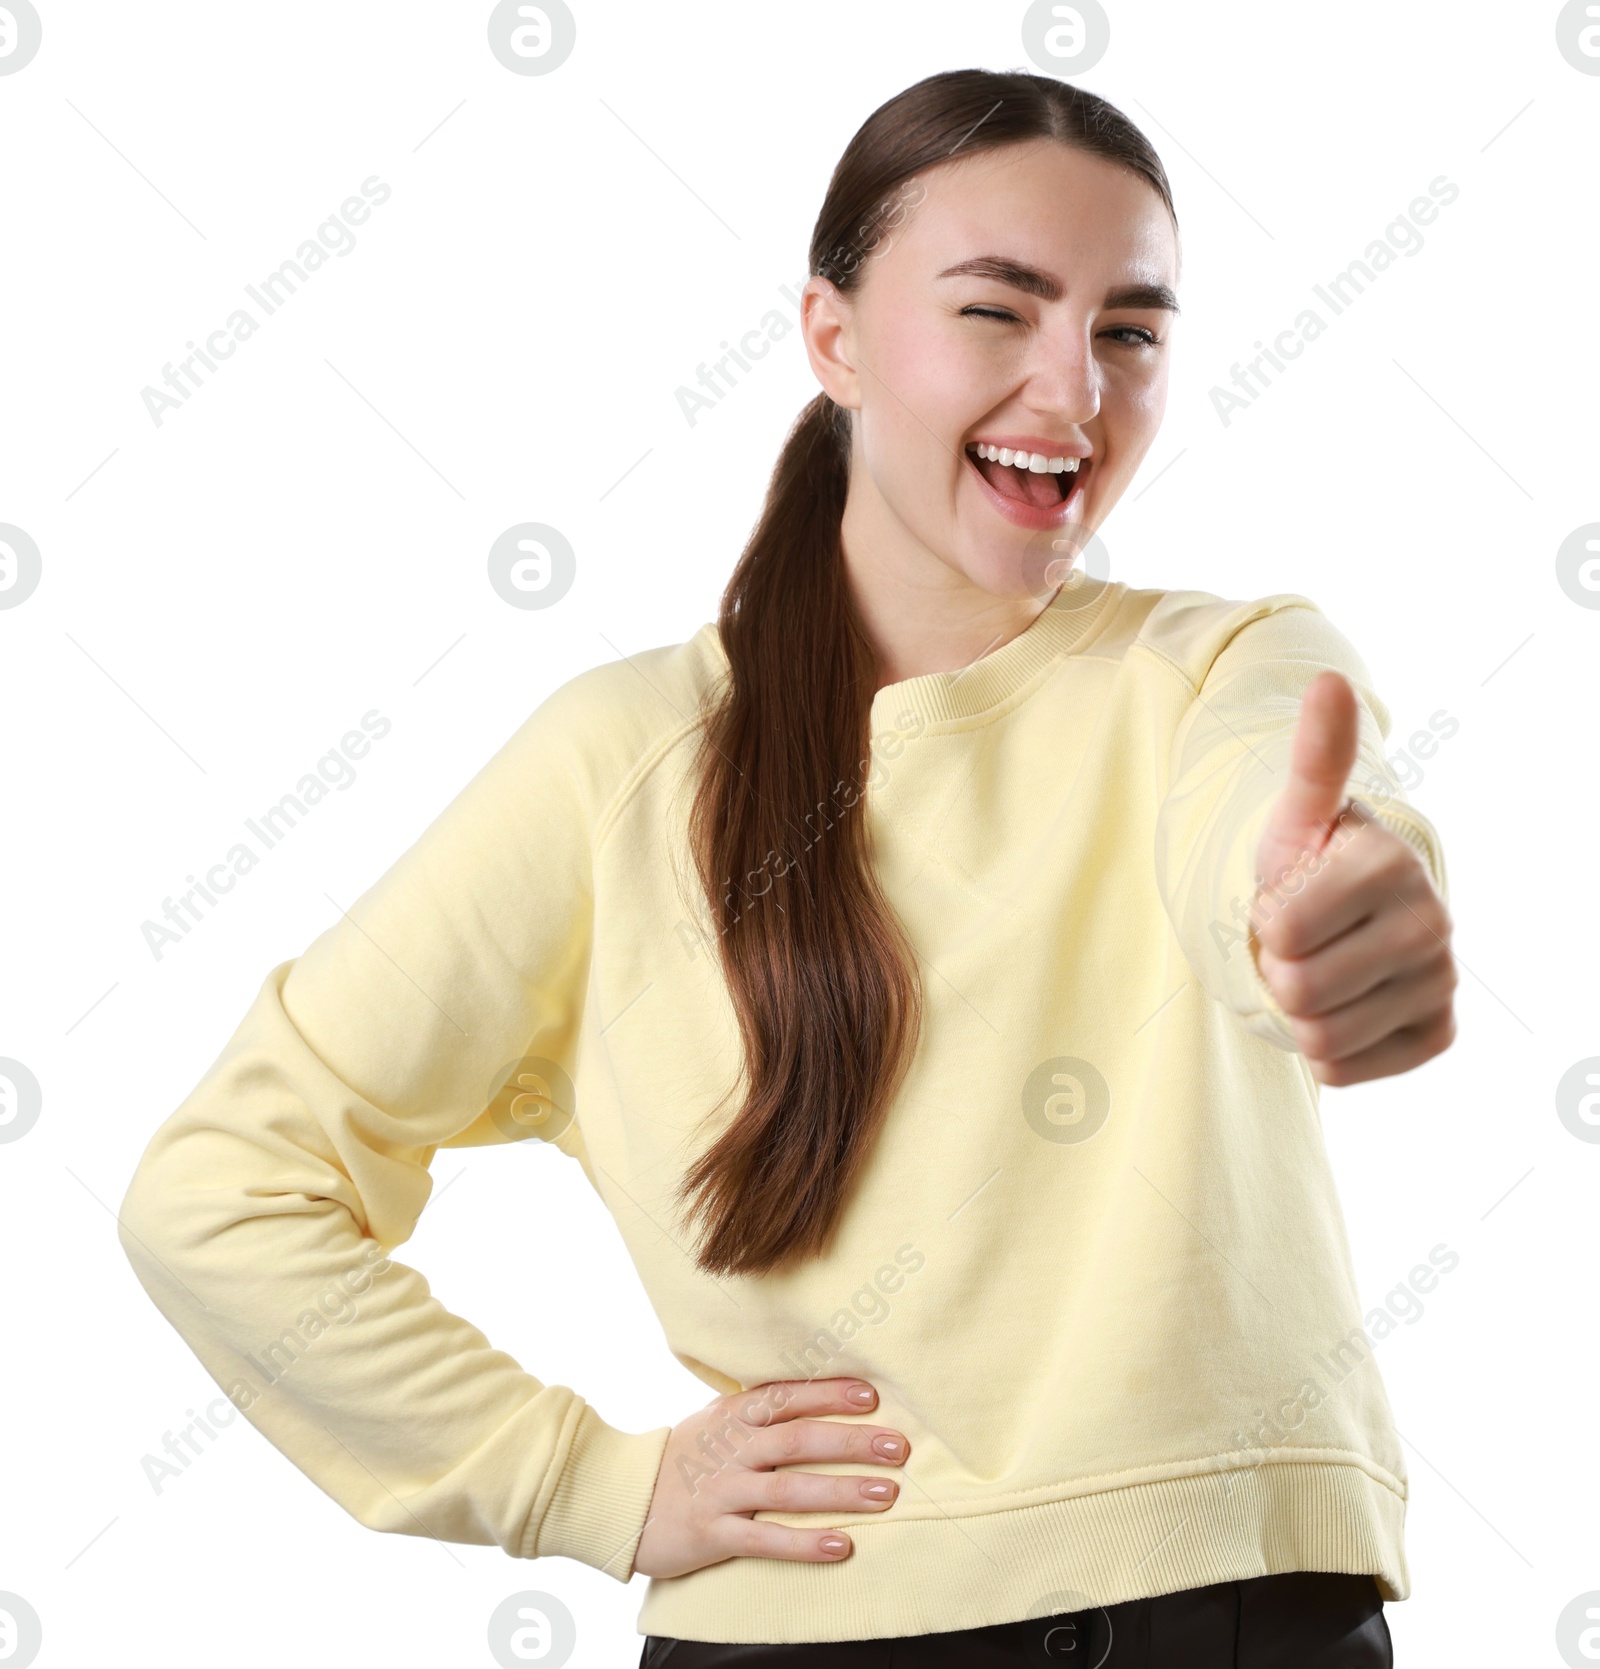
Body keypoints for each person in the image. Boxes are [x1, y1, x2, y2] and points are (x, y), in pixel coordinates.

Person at [118, 67, 1454, 1668]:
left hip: (1237, 1615)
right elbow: (222, 1193)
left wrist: (1313, 914)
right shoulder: (623, 759)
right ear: (831, 334)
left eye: (1129, 332)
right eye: (995, 311)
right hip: (817, 1629)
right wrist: (587, 1482)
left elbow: (1267, 828)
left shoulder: (1223, 666)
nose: (1074, 392)